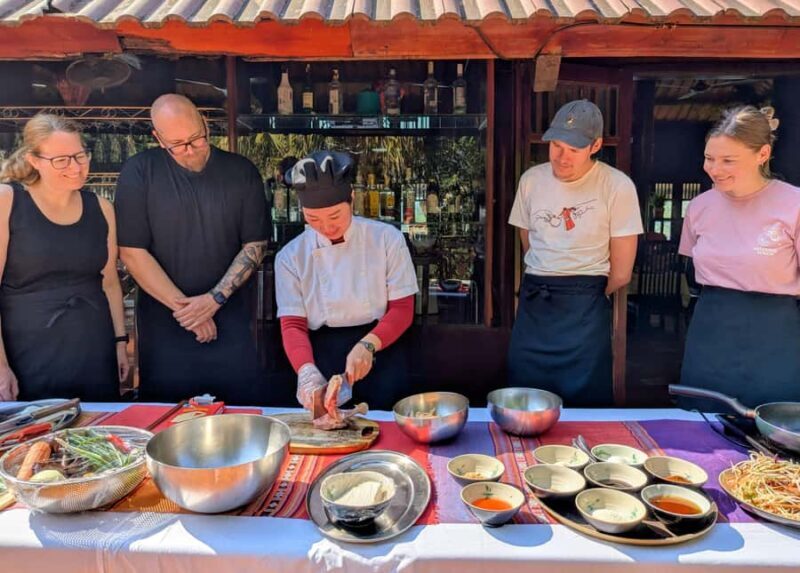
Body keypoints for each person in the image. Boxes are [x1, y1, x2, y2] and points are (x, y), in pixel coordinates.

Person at [114, 94, 269, 404]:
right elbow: (132, 251)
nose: (189, 149)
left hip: (230, 321)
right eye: (177, 144)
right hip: (165, 327)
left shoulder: (241, 171)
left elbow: (256, 244)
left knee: (238, 413)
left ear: (205, 125)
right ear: (158, 138)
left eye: (196, 138)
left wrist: (214, 300)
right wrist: (191, 313)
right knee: (167, 417)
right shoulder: (139, 172)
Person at [507, 100, 643, 407]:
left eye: (574, 149)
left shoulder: (617, 186)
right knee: (526, 400)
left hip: (586, 305)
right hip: (536, 302)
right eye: (556, 145)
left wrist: (583, 292)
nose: (562, 157)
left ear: (595, 145)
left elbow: (621, 272)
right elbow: (529, 244)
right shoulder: (531, 181)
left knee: (585, 402)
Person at [275, 151, 418, 414]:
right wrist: (306, 371)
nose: (326, 227)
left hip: (381, 348)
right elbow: (293, 324)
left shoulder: (387, 239)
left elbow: (403, 309)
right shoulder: (290, 256)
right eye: (313, 219)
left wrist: (368, 345)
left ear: (351, 198)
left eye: (334, 216)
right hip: (321, 355)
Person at [0, 114, 129, 401]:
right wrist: (0, 366)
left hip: (94, 346)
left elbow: (109, 283)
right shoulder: (7, 201)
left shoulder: (102, 208)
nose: (75, 167)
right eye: (61, 160)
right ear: (34, 160)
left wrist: (120, 341)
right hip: (27, 350)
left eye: (80, 155)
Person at [678, 106, 800, 410]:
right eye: (709, 158)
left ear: (763, 154)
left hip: (776, 332)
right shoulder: (700, 207)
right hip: (710, 327)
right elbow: (689, 269)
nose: (715, 169)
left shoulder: (793, 204)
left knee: (770, 423)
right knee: (701, 419)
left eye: (728, 160)